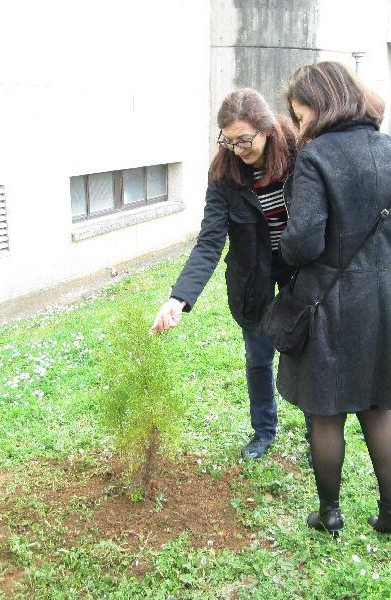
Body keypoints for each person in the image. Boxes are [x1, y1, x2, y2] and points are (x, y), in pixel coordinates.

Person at [278, 61, 391, 537]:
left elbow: (305, 242)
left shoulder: (315, 157)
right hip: (385, 296)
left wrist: (284, 247)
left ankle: (330, 514)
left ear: (320, 105)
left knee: (326, 410)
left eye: (300, 115)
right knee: (378, 407)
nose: (298, 126)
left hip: (329, 299)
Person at [150, 89, 309, 460]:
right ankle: (264, 431)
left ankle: (318, 432)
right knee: (258, 356)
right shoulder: (224, 173)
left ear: (266, 129)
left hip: (298, 270)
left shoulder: (298, 154)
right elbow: (209, 242)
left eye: (244, 140)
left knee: (306, 354)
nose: (237, 149)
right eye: (229, 141)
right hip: (251, 276)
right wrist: (178, 298)